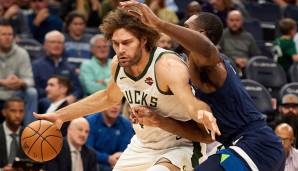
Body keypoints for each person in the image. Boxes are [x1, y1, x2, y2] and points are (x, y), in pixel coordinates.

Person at [34, 8, 220, 171]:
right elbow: (108, 98)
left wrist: (202, 113)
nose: (120, 49)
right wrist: (60, 116)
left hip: (181, 146)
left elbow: (191, 102)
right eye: (115, 43)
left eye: (126, 42)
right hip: (143, 144)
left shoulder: (167, 66)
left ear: (144, 40)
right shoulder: (118, 64)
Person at [119, 1, 285, 171]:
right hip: (248, 146)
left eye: (186, 27)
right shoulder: (188, 70)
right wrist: (159, 121)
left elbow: (206, 48)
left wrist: (158, 23)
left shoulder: (214, 65)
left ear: (203, 34)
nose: (179, 32)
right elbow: (204, 136)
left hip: (256, 144)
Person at [0, 20, 38, 125]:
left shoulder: (22, 53)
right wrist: (3, 82)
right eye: (3, 34)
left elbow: (30, 80)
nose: (7, 37)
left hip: (15, 92)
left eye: (10, 34)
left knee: (31, 93)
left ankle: (29, 133)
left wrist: (20, 82)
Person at [32, 30, 83, 103]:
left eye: (60, 43)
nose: (57, 45)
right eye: (53, 42)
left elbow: (78, 89)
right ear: (45, 45)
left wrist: (73, 96)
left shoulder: (69, 67)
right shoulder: (36, 65)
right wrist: (55, 95)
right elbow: (35, 88)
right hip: (46, 100)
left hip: (67, 101)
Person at [86, 104, 134, 171]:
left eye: (118, 104)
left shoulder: (127, 124)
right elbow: (87, 150)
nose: (115, 107)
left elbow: (125, 150)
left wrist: (120, 157)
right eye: (111, 103)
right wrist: (107, 158)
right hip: (94, 165)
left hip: (118, 165)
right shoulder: (90, 122)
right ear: (103, 104)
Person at [0, 97, 28, 170]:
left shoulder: (30, 135)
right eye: (13, 111)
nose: (17, 115)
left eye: (21, 111)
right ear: (4, 112)